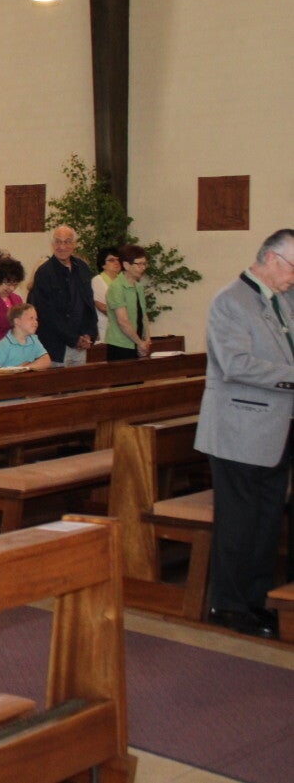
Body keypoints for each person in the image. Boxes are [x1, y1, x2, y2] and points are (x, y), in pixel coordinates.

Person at [195, 229, 294, 639]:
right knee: (239, 523)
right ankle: (228, 607)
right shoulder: (230, 301)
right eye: (293, 268)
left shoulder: (283, 300)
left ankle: (256, 602)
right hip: (240, 428)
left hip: (276, 430)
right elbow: (235, 364)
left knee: (266, 521)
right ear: (271, 258)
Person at [27, 225, 96, 366]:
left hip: (81, 342)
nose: (62, 246)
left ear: (74, 244)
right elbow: (47, 314)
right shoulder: (44, 273)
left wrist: (89, 334)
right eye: (58, 242)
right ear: (52, 245)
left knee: (80, 380)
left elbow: (88, 304)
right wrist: (73, 339)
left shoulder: (82, 268)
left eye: (67, 242)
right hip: (56, 346)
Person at [104, 244, 151, 361]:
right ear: (126, 265)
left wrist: (147, 339)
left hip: (138, 343)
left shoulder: (138, 287)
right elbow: (123, 321)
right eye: (139, 264)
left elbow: (143, 315)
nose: (143, 267)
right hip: (120, 345)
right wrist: (139, 343)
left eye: (144, 264)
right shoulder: (116, 287)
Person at [0, 303, 52, 370]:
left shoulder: (34, 339)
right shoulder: (4, 345)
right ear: (17, 321)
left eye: (36, 319)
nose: (35, 322)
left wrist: (23, 368)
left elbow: (46, 361)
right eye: (31, 318)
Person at [92, 246, 121, 343]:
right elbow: (102, 307)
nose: (116, 262)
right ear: (103, 264)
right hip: (105, 329)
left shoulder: (122, 281)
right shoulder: (98, 280)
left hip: (123, 329)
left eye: (118, 259)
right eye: (111, 260)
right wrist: (124, 316)